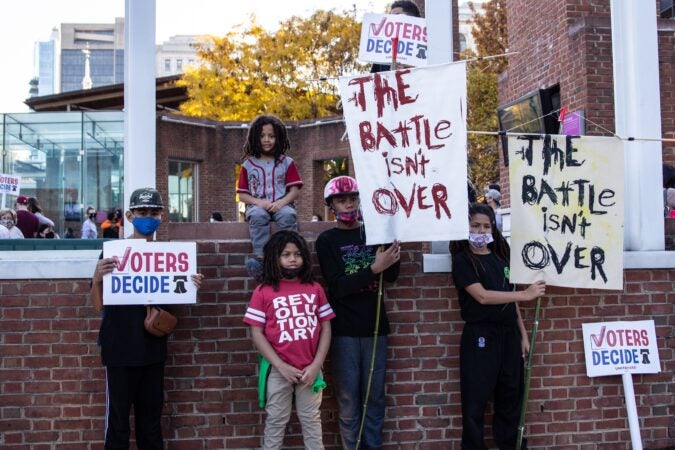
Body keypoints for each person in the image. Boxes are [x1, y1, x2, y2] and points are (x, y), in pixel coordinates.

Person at [90, 187, 204, 449]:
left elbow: (176, 299)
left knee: (151, 424)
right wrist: (97, 278)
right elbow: (98, 306)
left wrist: (190, 283)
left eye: (154, 212)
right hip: (119, 350)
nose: (148, 217)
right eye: (143, 212)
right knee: (117, 425)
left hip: (152, 351)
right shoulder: (113, 252)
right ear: (130, 215)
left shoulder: (170, 257)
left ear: (162, 216)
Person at [450, 203, 546, 450]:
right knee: (475, 403)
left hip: (509, 337)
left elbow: (509, 297)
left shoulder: (501, 257)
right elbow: (482, 296)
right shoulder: (462, 261)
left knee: (511, 397)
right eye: (475, 226)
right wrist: (526, 295)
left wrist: (522, 334)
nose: (480, 231)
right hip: (480, 336)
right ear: (466, 228)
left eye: (485, 226)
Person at [315, 176, 401, 450]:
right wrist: (373, 268)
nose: (348, 204)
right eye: (342, 200)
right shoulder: (326, 240)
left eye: (352, 198)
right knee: (349, 400)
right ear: (331, 206)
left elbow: (393, 276)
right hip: (344, 331)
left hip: (375, 328)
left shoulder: (372, 233)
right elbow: (338, 286)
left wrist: (389, 241)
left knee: (374, 397)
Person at [243, 230, 335, 449]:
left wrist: (316, 365)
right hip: (278, 370)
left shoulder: (315, 289)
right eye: (286, 254)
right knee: (276, 421)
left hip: (310, 369)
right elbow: (257, 333)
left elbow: (326, 328)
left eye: (297, 254)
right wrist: (281, 366)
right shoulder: (263, 292)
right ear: (274, 258)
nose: (293, 259)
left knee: (312, 421)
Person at [236, 114, 303, 280]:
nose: (267, 140)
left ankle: (288, 257)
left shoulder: (287, 162)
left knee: (288, 215)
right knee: (257, 215)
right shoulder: (248, 165)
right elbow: (242, 195)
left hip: (283, 205)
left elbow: (294, 191)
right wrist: (259, 202)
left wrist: (281, 203)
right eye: (262, 136)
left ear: (278, 137)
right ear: (254, 138)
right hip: (257, 206)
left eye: (271, 136)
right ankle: (262, 261)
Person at [370, 1, 422, 73]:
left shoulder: (425, 51)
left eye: (397, 16)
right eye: (391, 17)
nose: (392, 20)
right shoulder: (381, 56)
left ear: (413, 19)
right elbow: (374, 82)